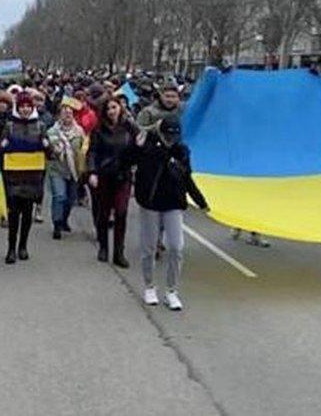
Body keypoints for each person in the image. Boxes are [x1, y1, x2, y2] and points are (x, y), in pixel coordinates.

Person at [134, 115, 208, 311]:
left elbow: (187, 178)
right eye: (167, 135)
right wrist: (143, 143)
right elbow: (131, 158)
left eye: (174, 136)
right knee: (149, 247)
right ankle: (149, 286)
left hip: (173, 203)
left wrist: (201, 201)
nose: (170, 139)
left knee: (176, 247)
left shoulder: (182, 151)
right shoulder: (148, 147)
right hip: (150, 202)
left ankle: (171, 290)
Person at [88, 98, 139, 267]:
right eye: (108, 108)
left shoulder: (129, 128)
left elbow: (138, 147)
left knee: (121, 212)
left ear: (120, 108)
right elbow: (92, 152)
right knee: (103, 212)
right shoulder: (98, 130)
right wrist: (93, 172)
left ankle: (119, 252)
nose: (112, 111)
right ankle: (103, 246)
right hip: (104, 175)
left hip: (123, 176)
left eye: (114, 107)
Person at [0, 91, 47, 264]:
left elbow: (49, 152)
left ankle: (23, 246)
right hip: (13, 176)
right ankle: (11, 248)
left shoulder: (40, 126)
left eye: (28, 106)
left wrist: (47, 146)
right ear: (17, 108)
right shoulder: (10, 126)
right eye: (22, 106)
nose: (25, 109)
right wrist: (4, 146)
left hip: (32, 176)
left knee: (27, 214)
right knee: (14, 214)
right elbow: (1, 148)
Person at [45, 100, 86, 239]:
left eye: (70, 112)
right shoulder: (52, 131)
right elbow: (51, 149)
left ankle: (64, 219)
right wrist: (56, 149)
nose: (68, 114)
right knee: (60, 196)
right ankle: (56, 224)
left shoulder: (79, 132)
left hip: (74, 170)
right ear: (59, 115)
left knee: (70, 199)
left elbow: (83, 149)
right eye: (65, 112)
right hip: (57, 169)